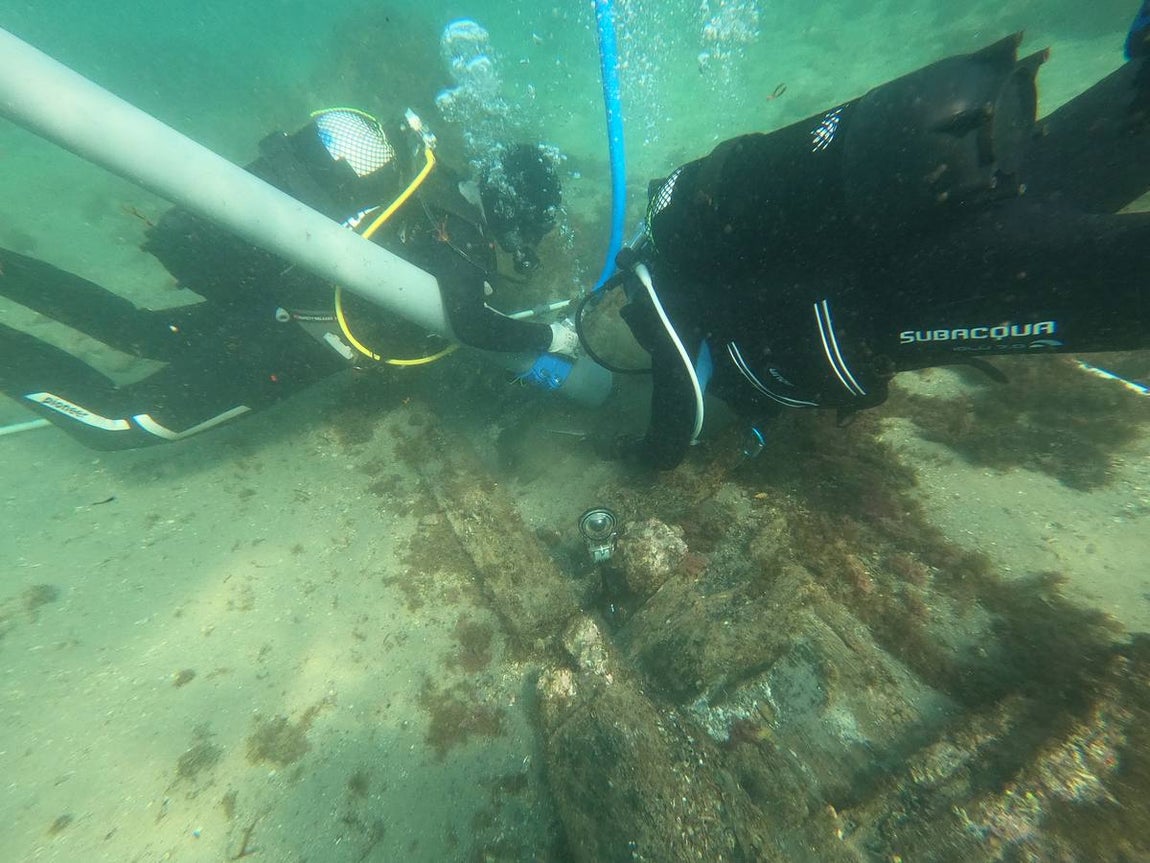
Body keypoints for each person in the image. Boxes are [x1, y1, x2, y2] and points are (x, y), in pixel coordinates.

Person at [603, 15, 1150, 470]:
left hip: (917, 285)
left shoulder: (663, 273)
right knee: (1083, 149)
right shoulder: (716, 231)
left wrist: (646, 459)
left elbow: (678, 395)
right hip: (959, 172)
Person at [0, 107, 574, 449]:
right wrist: (550, 341)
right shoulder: (463, 238)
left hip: (277, 293)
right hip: (295, 337)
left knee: (140, 332)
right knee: (118, 423)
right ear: (520, 214)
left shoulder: (435, 189)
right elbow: (471, 322)